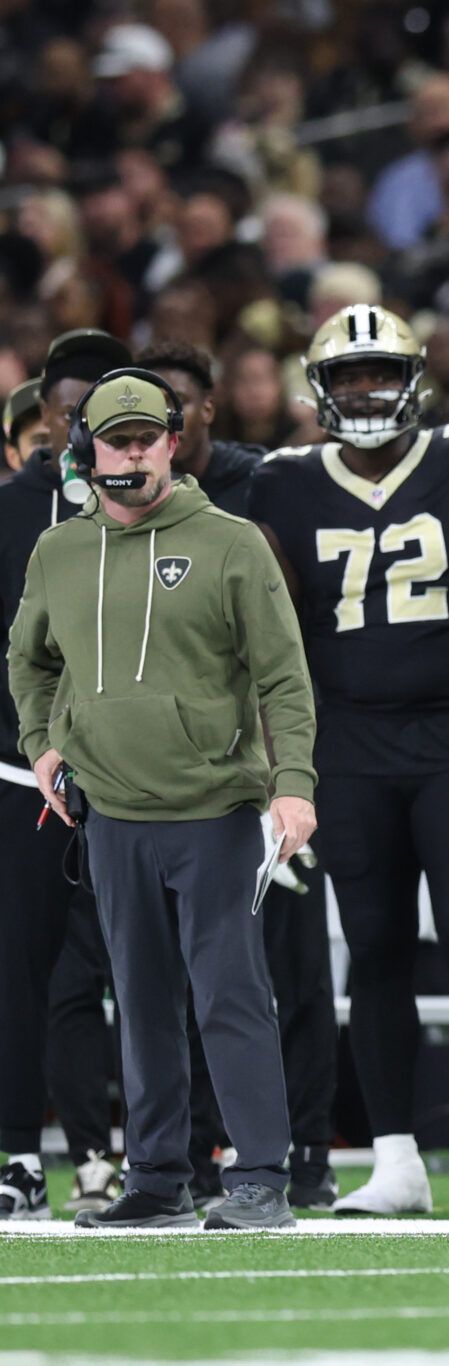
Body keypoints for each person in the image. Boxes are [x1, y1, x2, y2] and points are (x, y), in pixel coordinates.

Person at [248, 304, 449, 1217]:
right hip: (347, 744)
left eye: (378, 373)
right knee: (377, 945)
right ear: (318, 391)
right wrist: (281, 778)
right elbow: (268, 653)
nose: (363, 392)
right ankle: (396, 1159)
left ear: (415, 379)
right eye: (345, 377)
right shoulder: (284, 486)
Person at [8, 368, 316, 1231]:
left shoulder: (232, 542)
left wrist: (293, 785)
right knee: (138, 1003)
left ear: (174, 443)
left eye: (148, 437)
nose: (133, 453)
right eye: (117, 440)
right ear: (88, 450)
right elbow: (26, 659)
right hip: (111, 814)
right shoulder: (58, 550)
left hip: (214, 808)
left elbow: (284, 675)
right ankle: (155, 1180)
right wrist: (43, 743)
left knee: (229, 995)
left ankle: (259, 1174)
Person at [139, 340, 340, 1210]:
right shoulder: (110, 519)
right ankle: (177, 1158)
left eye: (175, 408)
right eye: (142, 420)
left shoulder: (269, 490)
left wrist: (284, 778)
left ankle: (307, 1157)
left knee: (290, 977)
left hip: (264, 767)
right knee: (170, 982)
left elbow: (285, 653)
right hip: (167, 783)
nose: (161, 432)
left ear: (206, 411)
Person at [0, 331, 131, 1222]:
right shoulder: (10, 513)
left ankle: (129, 1153)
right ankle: (18, 1155)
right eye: (67, 412)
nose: (79, 431)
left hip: (144, 778)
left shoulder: (172, 514)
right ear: (47, 416)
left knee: (139, 972)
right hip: (21, 778)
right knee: (21, 971)